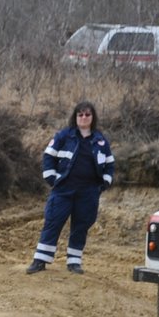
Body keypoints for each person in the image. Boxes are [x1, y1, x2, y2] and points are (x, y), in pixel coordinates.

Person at [26, 101, 115, 275]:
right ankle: (40, 261)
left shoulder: (101, 140)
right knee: (53, 221)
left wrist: (105, 182)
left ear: (92, 117)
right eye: (80, 114)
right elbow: (48, 156)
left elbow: (110, 164)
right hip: (64, 189)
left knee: (81, 226)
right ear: (75, 117)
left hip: (88, 191)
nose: (83, 117)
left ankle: (74, 262)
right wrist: (52, 178)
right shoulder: (64, 136)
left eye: (87, 114)